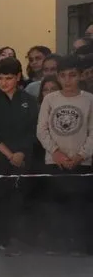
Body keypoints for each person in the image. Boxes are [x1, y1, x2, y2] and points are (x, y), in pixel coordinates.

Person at [36, 55, 93, 254]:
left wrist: (80, 155)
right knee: (55, 204)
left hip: (82, 162)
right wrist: (56, 153)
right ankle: (56, 243)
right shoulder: (50, 99)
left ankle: (80, 244)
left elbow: (92, 132)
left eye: (72, 75)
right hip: (55, 161)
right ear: (58, 77)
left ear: (80, 76)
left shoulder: (89, 100)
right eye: (63, 76)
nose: (67, 80)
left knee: (80, 205)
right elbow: (42, 130)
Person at [0, 57, 39, 255]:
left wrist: (21, 153)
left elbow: (33, 130)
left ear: (17, 77)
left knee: (21, 199)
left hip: (23, 158)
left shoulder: (29, 101)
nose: (3, 82)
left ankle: (20, 237)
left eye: (8, 78)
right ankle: (1, 237)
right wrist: (9, 154)